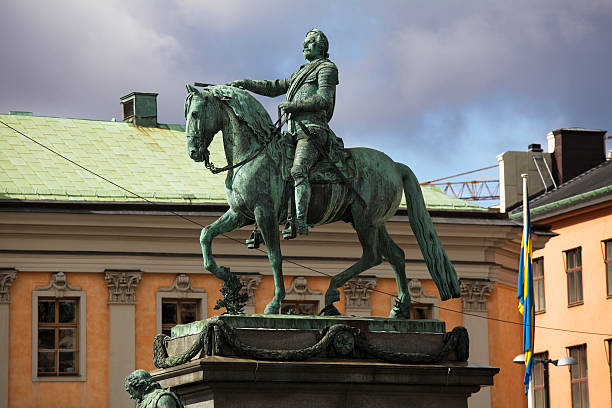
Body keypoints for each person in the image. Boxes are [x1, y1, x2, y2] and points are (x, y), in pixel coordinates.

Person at [227, 28, 340, 235]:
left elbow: (324, 99)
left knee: (298, 171)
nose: (305, 45)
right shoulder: (299, 72)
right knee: (269, 169)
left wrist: (294, 106)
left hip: (313, 131)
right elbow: (273, 87)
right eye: (304, 42)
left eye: (310, 42)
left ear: (322, 47)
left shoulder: (326, 68)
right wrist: (245, 84)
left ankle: (300, 222)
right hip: (292, 133)